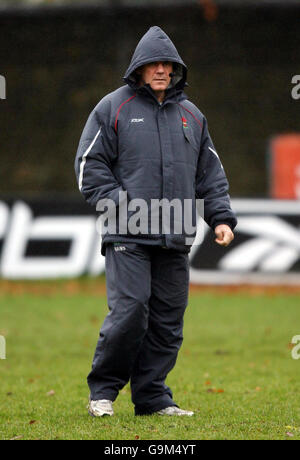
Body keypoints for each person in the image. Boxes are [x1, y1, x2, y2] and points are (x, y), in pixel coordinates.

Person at [75, 26, 237, 417]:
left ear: (176, 69)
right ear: (139, 68)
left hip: (176, 236)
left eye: (168, 64)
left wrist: (221, 217)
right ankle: (103, 392)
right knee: (131, 312)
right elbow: (88, 166)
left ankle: (151, 398)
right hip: (127, 235)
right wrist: (122, 205)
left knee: (167, 323)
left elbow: (210, 174)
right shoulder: (112, 107)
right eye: (154, 63)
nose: (162, 69)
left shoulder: (192, 116)